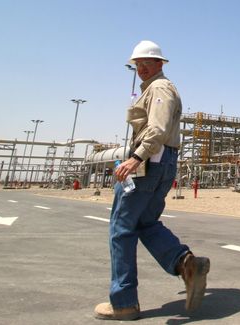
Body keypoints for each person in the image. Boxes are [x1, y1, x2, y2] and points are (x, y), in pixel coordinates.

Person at [95, 40, 210, 321]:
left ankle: (123, 302)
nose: (142, 68)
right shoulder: (156, 88)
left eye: (148, 63)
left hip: (150, 162)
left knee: (121, 229)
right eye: (138, 64)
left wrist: (135, 157)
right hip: (163, 162)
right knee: (145, 223)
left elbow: (156, 129)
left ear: (161, 64)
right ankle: (186, 264)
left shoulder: (159, 89)